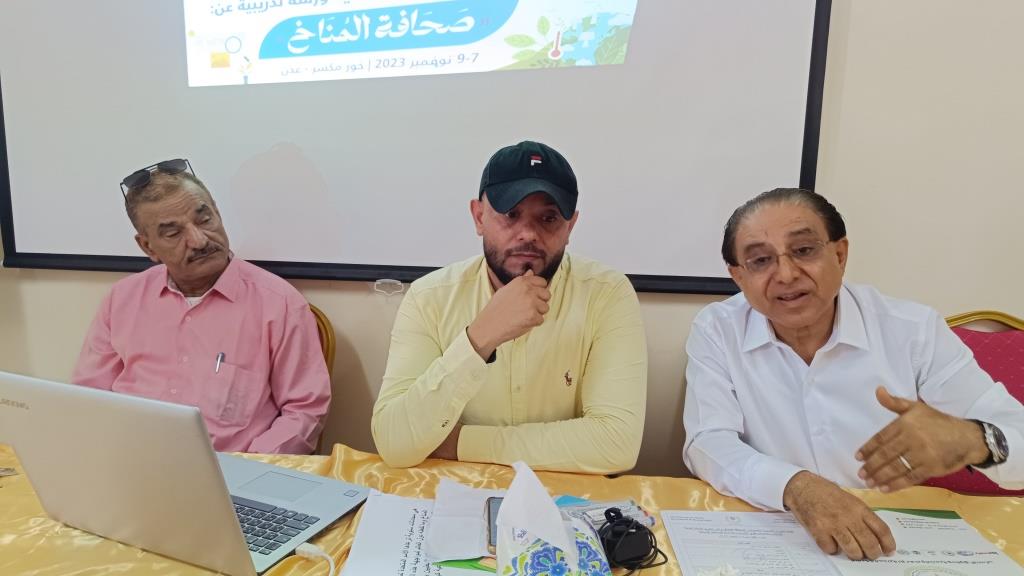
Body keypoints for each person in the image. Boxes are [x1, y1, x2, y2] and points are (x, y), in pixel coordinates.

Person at [683, 187, 1024, 560]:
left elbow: (1016, 433)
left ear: (840, 254)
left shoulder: (912, 329)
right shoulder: (718, 330)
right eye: (761, 260)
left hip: (890, 540)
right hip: (774, 533)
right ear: (738, 277)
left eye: (804, 250)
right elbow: (708, 442)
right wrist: (795, 486)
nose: (786, 274)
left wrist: (975, 439)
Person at [372, 141, 647, 474]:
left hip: (566, 498)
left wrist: (458, 443)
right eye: (510, 214)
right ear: (478, 217)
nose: (528, 233)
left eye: (548, 217)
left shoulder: (607, 294)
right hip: (456, 494)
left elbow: (616, 444)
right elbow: (395, 444)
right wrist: (479, 338)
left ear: (570, 226)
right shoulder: (430, 297)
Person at [73, 159, 330, 454]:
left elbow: (304, 411)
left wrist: (249, 470)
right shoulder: (122, 299)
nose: (198, 240)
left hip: (229, 472)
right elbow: (89, 399)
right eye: (174, 233)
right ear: (148, 247)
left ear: (217, 213)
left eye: (204, 219)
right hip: (130, 462)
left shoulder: (278, 304)